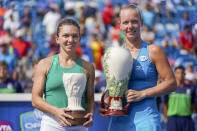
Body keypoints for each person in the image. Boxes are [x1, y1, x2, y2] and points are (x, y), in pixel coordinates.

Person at [98, 4, 177, 131]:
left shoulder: (153, 51)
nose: (130, 26)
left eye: (134, 21)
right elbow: (112, 87)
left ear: (141, 23)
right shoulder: (114, 55)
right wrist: (105, 103)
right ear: (120, 25)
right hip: (118, 122)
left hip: (146, 119)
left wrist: (143, 94)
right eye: (125, 22)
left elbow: (172, 83)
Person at [32, 18, 95, 131]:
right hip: (51, 125)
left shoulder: (88, 68)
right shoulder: (44, 64)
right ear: (57, 39)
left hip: (79, 126)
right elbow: (35, 99)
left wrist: (90, 113)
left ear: (80, 39)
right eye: (65, 35)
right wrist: (55, 111)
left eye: (74, 36)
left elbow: (90, 99)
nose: (70, 40)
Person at [162, 66, 196, 131]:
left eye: (182, 73)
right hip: (173, 119)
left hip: (187, 118)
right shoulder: (169, 88)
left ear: (185, 74)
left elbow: (193, 104)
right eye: (178, 73)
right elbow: (164, 104)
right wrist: (167, 117)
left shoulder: (191, 88)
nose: (180, 75)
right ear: (174, 74)